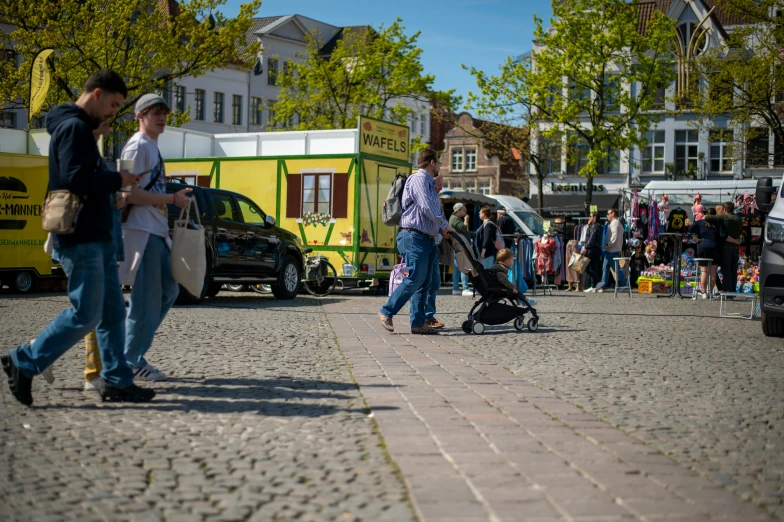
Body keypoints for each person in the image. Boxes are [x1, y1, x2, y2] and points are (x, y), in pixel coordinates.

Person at [2, 70, 154, 406]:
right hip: (82, 235)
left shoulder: (79, 128)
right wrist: (118, 179)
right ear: (97, 93)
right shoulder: (74, 129)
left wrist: (111, 190)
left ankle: (116, 381)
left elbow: (84, 178)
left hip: (95, 234)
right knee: (86, 313)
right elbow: (74, 179)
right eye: (113, 104)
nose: (114, 112)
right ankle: (23, 361)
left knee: (113, 313)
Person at [119, 94, 193, 381]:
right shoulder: (137, 145)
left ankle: (128, 350)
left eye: (164, 113)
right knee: (147, 300)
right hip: (141, 231)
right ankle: (129, 359)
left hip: (156, 231)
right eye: (154, 113)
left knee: (168, 291)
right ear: (140, 116)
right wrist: (171, 198)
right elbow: (125, 192)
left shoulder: (151, 146)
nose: (161, 118)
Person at [378, 149, 455, 335]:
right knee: (415, 278)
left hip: (426, 239)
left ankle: (418, 323)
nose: (439, 166)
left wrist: (440, 231)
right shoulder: (419, 179)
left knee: (425, 282)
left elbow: (431, 211)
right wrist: (444, 225)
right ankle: (386, 311)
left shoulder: (429, 184)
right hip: (414, 237)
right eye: (439, 163)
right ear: (432, 163)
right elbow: (426, 206)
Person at [424, 174, 446, 329]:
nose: (440, 188)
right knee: (425, 282)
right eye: (438, 185)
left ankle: (426, 316)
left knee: (434, 282)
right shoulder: (426, 199)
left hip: (433, 244)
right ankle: (426, 317)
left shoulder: (437, 200)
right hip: (425, 243)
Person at [705, 201, 741, 293]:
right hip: (735, 247)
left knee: (726, 270)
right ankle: (733, 291)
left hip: (726, 247)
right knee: (733, 271)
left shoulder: (724, 217)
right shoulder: (738, 219)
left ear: (724, 209)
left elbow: (707, 217)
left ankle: (727, 291)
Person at [689, 209, 725, 299]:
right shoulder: (719, 224)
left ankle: (704, 292)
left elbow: (689, 230)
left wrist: (696, 238)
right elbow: (723, 236)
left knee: (704, 271)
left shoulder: (699, 222)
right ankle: (711, 292)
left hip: (702, 247)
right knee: (713, 271)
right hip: (715, 248)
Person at [596, 208, 625, 293]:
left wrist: (608, 245)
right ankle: (602, 285)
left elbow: (614, 237)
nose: (607, 216)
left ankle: (624, 284)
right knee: (605, 268)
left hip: (612, 250)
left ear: (613, 214)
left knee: (616, 269)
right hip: (610, 250)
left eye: (608, 214)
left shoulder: (615, 223)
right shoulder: (616, 223)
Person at [449, 202, 472, 296]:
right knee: (464, 266)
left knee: (457, 268)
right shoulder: (454, 219)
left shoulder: (455, 218)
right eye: (464, 210)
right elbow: (464, 228)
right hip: (459, 246)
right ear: (458, 210)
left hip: (458, 246)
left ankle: (456, 288)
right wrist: (466, 220)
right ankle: (465, 288)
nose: (466, 212)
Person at [581, 212, 603, 293]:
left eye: (590, 216)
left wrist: (586, 247)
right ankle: (593, 286)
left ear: (594, 217)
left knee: (586, 268)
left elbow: (591, 238)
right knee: (593, 268)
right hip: (596, 249)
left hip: (592, 249)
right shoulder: (598, 226)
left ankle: (599, 282)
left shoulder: (594, 226)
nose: (589, 218)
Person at [477, 205, 499, 270]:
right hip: (486, 253)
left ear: (483, 214)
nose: (479, 214)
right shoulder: (486, 224)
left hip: (487, 253)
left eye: (480, 212)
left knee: (487, 272)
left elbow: (487, 239)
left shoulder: (488, 225)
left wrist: (483, 251)